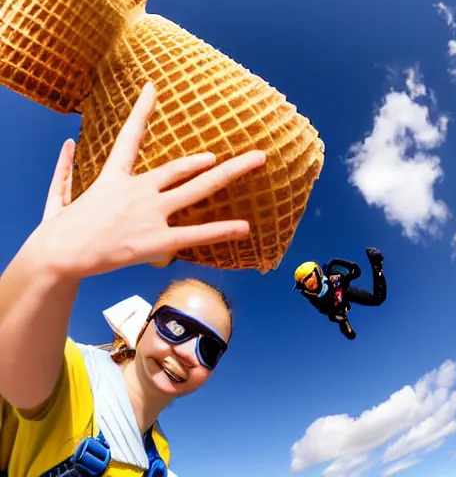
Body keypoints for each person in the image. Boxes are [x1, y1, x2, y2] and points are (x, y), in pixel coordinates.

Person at [0, 82, 267, 476]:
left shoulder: (160, 453)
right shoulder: (72, 375)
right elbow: (12, 370)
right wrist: (50, 259)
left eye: (210, 349)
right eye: (176, 326)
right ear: (143, 329)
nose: (190, 353)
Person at [292, 248, 387, 340]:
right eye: (303, 285)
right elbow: (326, 311)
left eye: (310, 282)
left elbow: (350, 271)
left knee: (377, 298)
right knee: (340, 319)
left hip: (343, 292)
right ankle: (342, 319)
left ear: (318, 274)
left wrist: (347, 275)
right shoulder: (312, 298)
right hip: (333, 307)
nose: (309, 286)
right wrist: (340, 318)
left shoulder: (335, 276)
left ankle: (376, 265)